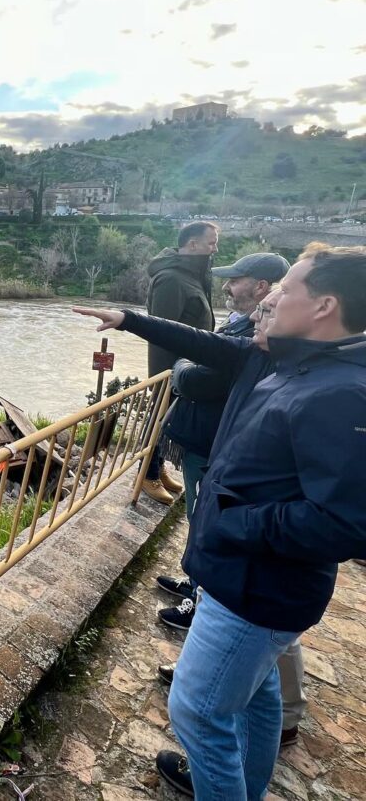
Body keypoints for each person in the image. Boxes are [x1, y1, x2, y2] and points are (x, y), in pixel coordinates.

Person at [73, 243, 366, 801]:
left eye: (287, 289)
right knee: (256, 698)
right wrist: (130, 319)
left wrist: (235, 520)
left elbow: (346, 524)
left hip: (255, 587)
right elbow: (204, 343)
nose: (270, 298)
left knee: (197, 711)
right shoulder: (293, 360)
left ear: (324, 306)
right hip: (244, 576)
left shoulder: (342, 393)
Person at [156, 252, 290, 633]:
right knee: (197, 516)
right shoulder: (243, 326)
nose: (227, 286)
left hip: (210, 441)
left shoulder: (255, 339)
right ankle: (194, 583)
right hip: (204, 437)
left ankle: (198, 600)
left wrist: (180, 367)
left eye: (235, 279)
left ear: (261, 287)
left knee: (204, 520)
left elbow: (197, 379)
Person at [140, 221, 218, 504]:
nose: (215, 249)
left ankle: (158, 467)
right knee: (159, 417)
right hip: (171, 368)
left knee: (169, 419)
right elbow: (161, 332)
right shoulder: (171, 279)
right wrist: (166, 376)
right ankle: (146, 474)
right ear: (193, 244)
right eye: (211, 243)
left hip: (187, 366)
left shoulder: (193, 275)